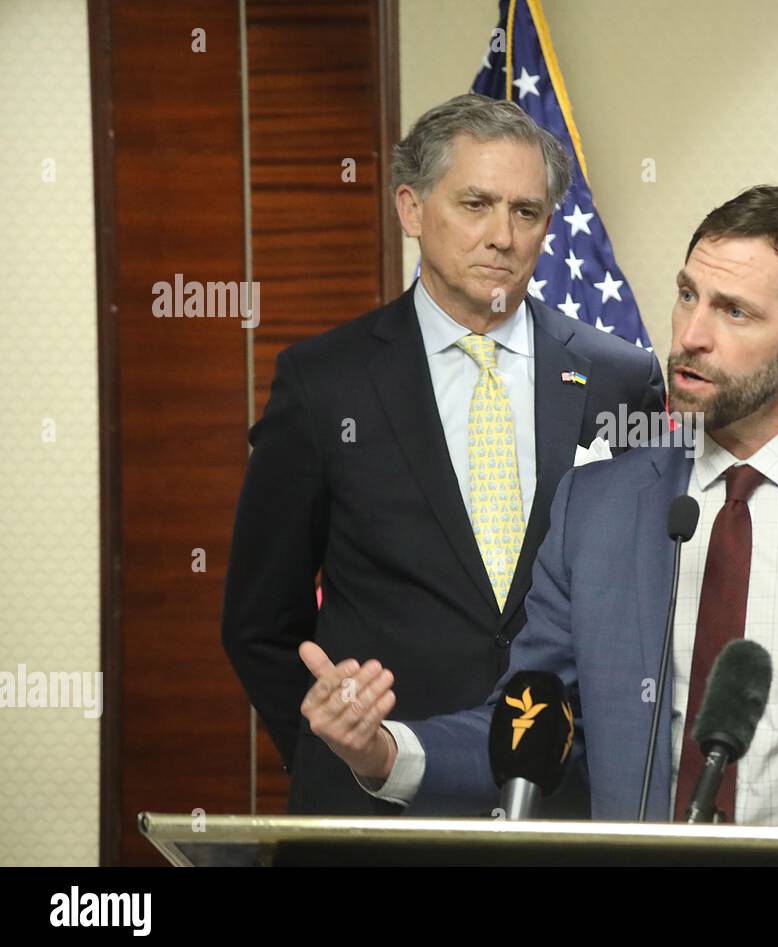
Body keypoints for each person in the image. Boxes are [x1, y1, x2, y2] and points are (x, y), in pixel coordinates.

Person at [297, 185, 778, 862]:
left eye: (733, 310)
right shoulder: (596, 505)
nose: (691, 336)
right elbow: (529, 723)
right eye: (687, 295)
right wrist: (384, 748)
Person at [221, 94, 665, 814]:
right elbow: (258, 622)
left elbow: (644, 610)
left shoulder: (620, 377)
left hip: (561, 806)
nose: (502, 236)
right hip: (378, 813)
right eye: (475, 204)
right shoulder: (322, 382)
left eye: (525, 212)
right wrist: (338, 752)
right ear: (411, 209)